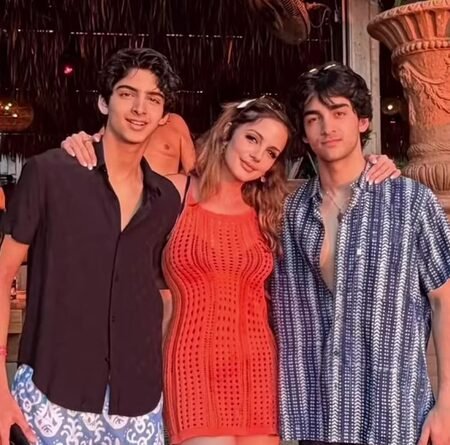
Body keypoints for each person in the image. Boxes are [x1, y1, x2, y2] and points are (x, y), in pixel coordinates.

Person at [62, 90, 399, 444]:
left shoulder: (271, 210)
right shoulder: (175, 192)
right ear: (227, 132)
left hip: (259, 365)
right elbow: (105, 203)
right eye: (252, 139)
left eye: (271, 152)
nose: (257, 156)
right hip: (191, 362)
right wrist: (83, 148)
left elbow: (337, 202)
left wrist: (375, 165)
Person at [0, 47, 182, 445]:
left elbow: (159, 293)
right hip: (52, 394)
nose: (139, 108)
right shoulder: (49, 173)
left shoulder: (166, 198)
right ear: (103, 102)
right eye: (126, 93)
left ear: (164, 116)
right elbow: (2, 276)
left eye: (153, 99)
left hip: (138, 402)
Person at [271, 62, 450, 445]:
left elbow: (444, 300)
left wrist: (447, 403)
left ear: (363, 121)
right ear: (304, 132)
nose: (327, 127)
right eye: (314, 118)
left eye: (339, 113)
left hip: (393, 416)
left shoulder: (411, 202)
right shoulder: (289, 214)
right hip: (317, 419)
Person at [65, 112, 196, 175]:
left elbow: (192, 172)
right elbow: (92, 155)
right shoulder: (118, 123)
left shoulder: (175, 122)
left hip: (167, 208)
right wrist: (76, 145)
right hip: (126, 207)